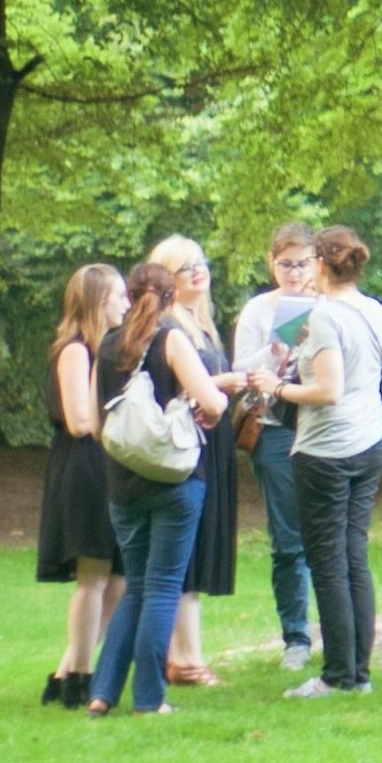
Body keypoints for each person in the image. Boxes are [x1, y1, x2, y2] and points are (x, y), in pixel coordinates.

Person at [86, 259, 229, 715]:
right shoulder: (171, 340)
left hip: (122, 485)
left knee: (137, 585)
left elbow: (94, 423)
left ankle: (102, 693)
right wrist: (212, 403)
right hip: (176, 482)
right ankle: (149, 699)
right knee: (164, 586)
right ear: (170, 300)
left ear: (130, 297)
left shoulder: (108, 346)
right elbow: (212, 400)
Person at [270, 225, 382, 699]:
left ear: (321, 265)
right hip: (370, 443)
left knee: (327, 561)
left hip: (326, 452)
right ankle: (358, 672)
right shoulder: (374, 310)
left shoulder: (326, 317)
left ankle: (338, 674)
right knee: (353, 556)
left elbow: (328, 391)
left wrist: (275, 388)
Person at [142, 237, 250, 690]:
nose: (197, 272)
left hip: (213, 441)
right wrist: (222, 383)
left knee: (199, 545)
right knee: (184, 550)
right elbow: (172, 388)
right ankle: (183, 659)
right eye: (184, 267)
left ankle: (185, 653)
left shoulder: (200, 323)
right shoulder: (168, 326)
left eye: (200, 263)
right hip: (190, 445)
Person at [233, 223, 325, 671]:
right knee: (288, 539)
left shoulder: (331, 305)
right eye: (285, 263)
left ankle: (337, 627)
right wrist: (276, 348)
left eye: (302, 263)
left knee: (327, 533)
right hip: (273, 427)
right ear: (272, 263)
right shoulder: (258, 310)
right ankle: (296, 636)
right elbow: (240, 370)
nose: (293, 272)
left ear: (317, 263)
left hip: (323, 427)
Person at [37, 263, 125, 710]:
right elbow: (79, 420)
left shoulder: (106, 349)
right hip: (84, 466)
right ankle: (81, 680)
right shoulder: (75, 351)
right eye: (119, 296)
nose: (127, 304)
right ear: (98, 301)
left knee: (118, 580)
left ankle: (66, 669)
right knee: (93, 575)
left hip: (106, 463)